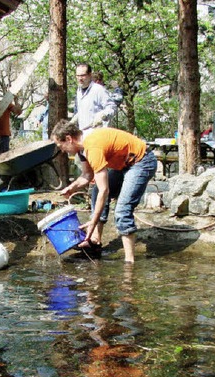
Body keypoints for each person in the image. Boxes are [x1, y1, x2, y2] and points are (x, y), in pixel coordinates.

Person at [51, 120, 157, 263]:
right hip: (124, 164)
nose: (62, 150)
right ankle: (95, 242)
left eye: (60, 145)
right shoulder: (81, 149)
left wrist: (92, 222)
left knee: (122, 210)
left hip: (142, 161)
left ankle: (129, 263)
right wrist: (72, 187)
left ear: (69, 139)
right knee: (95, 192)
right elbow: (87, 175)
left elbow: (104, 190)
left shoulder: (92, 146)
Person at [73, 63, 115, 138]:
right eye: (78, 76)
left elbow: (112, 107)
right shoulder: (79, 91)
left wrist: (103, 115)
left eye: (83, 75)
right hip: (84, 135)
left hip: (98, 135)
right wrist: (75, 118)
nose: (80, 78)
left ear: (90, 75)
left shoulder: (98, 90)